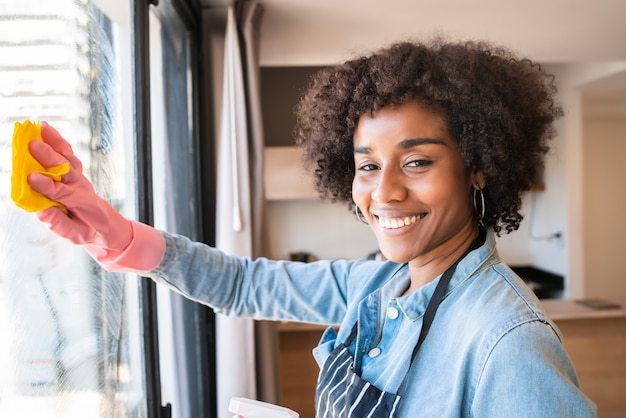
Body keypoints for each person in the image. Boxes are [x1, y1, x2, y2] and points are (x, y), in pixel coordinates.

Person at [21, 38, 596, 417]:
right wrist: (113, 231)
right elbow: (243, 285)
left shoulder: (507, 341)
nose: (385, 191)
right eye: (368, 166)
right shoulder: (377, 285)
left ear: (478, 166)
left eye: (417, 161)